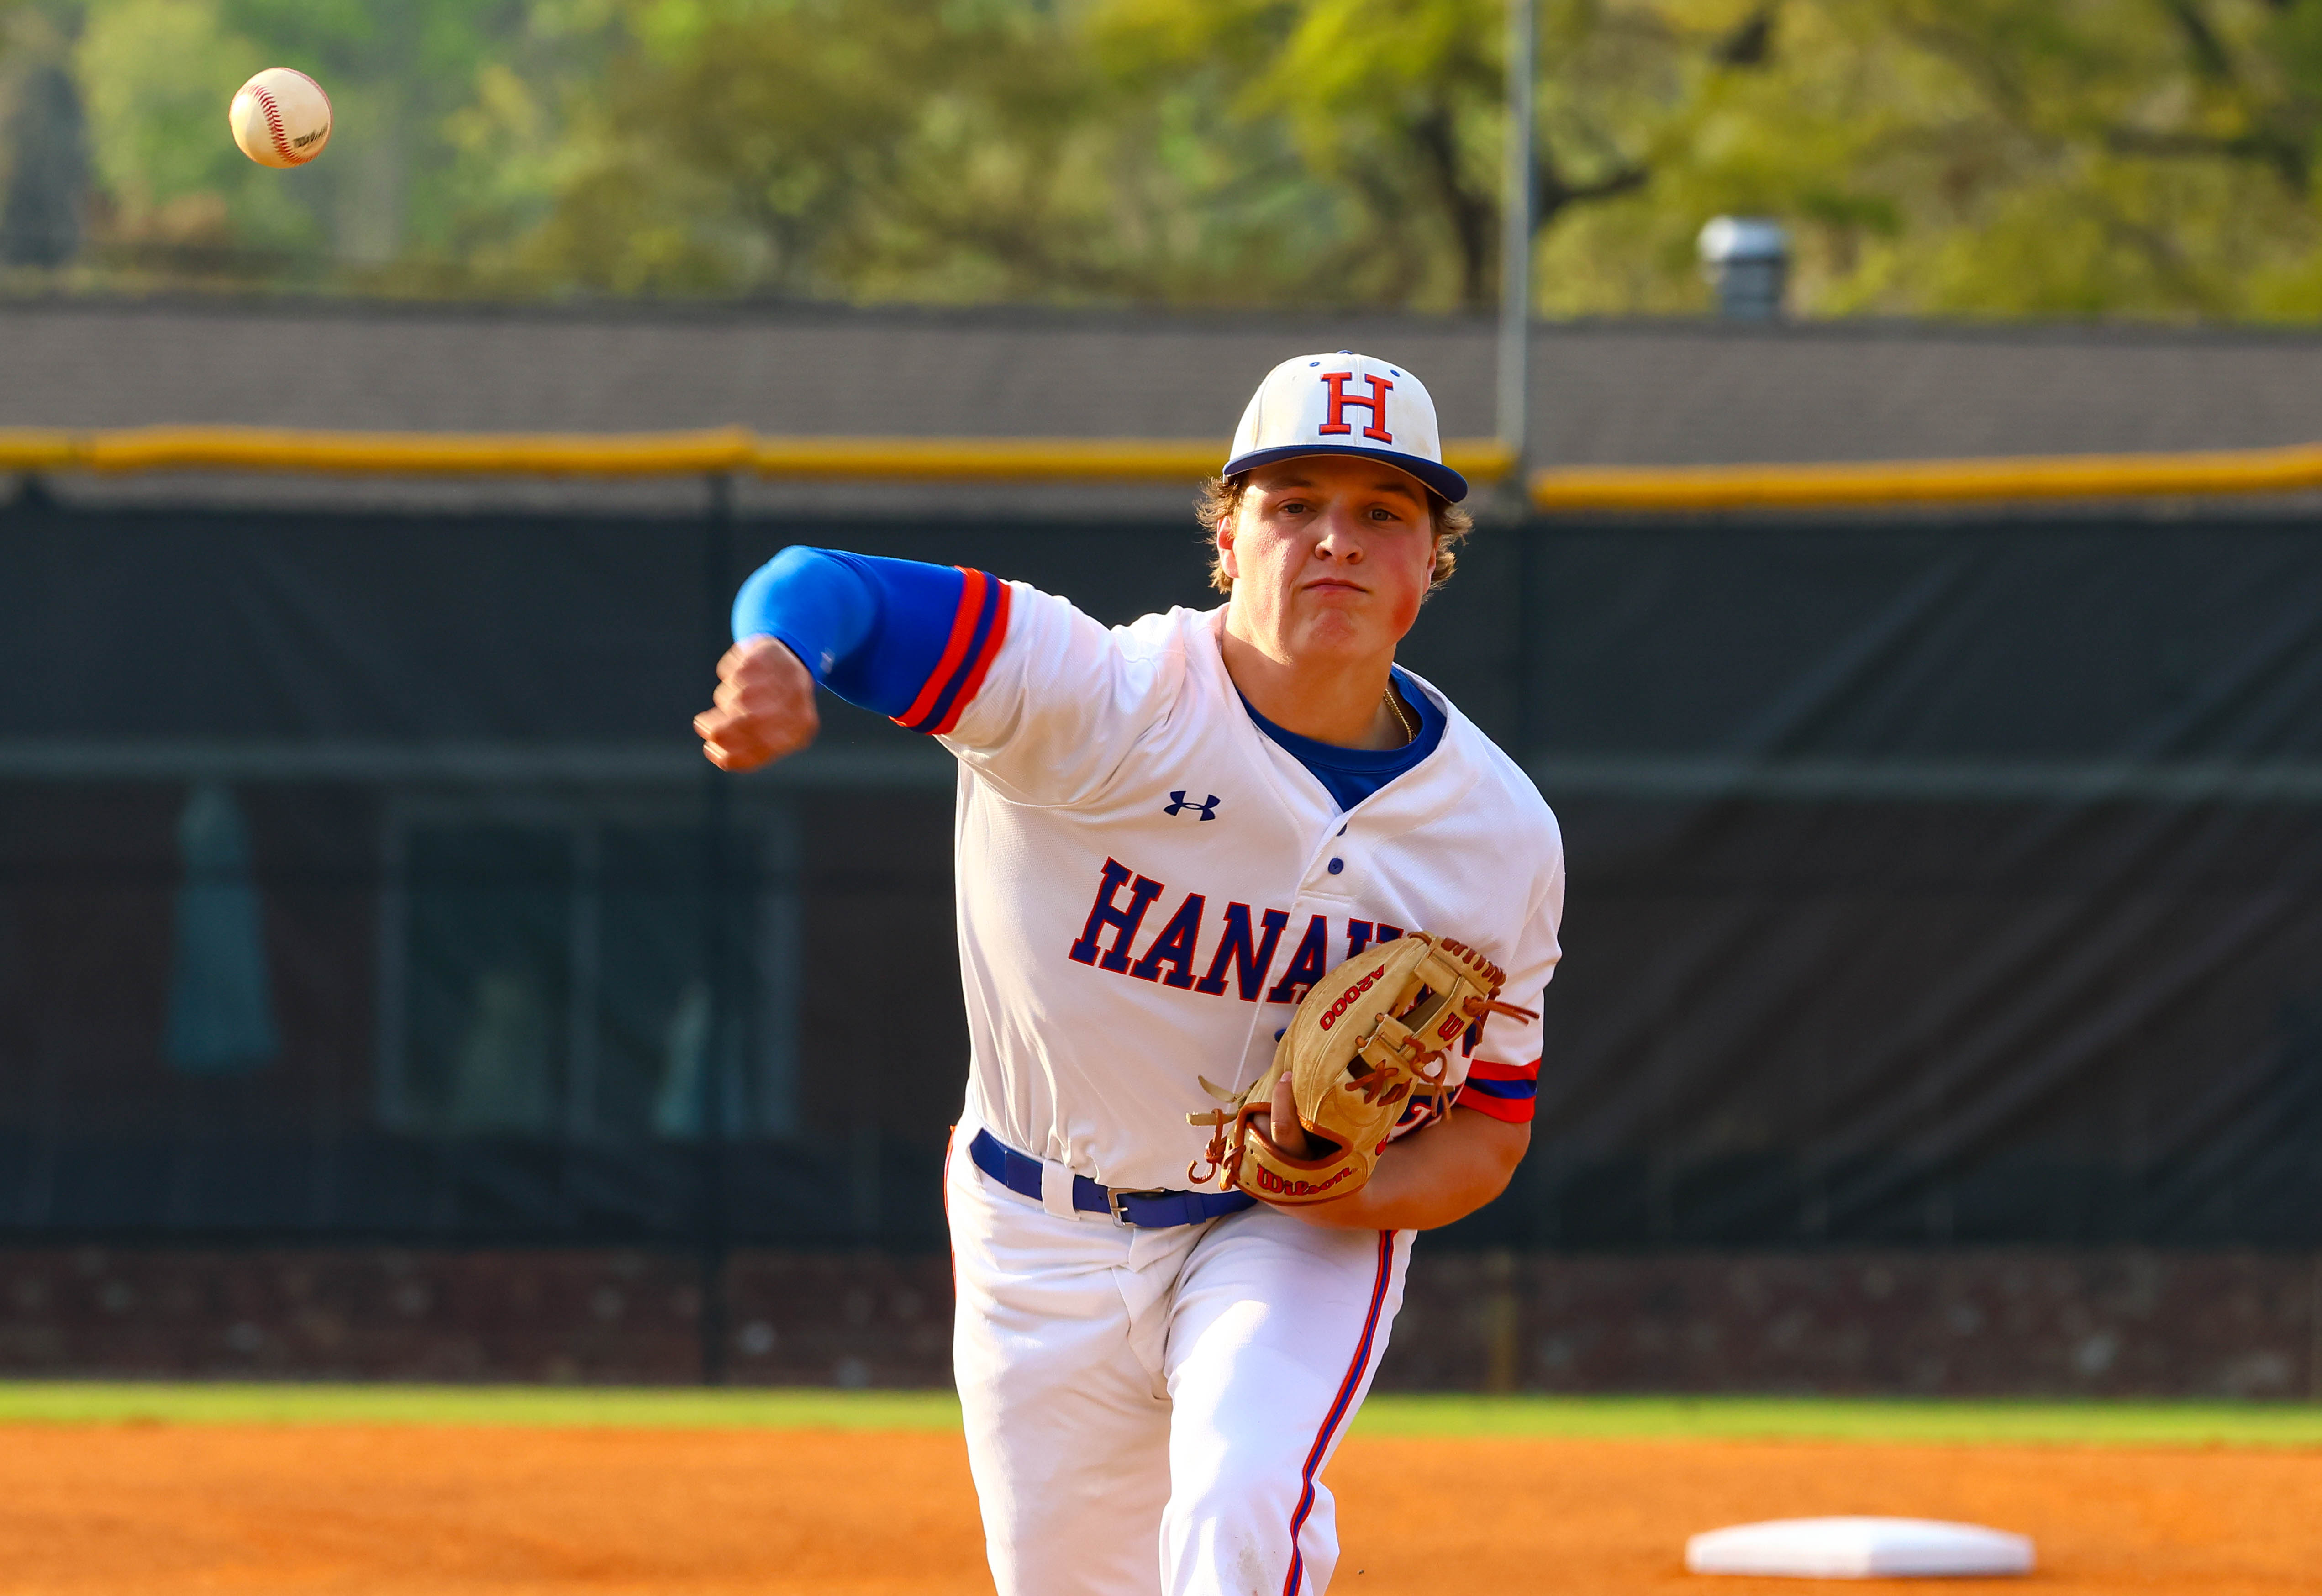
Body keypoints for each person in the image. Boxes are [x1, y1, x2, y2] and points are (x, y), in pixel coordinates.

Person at [693, 351, 1565, 1596]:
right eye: (1292, 504)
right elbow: (821, 585)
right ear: (1227, 538)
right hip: (1035, 1231)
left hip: (1282, 1233)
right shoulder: (1099, 699)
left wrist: (1343, 1195)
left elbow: (1489, 1132)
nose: (1337, 540)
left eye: (1383, 512)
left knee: (1239, 1500)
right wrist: (777, 652)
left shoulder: (1498, 834)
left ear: (1434, 559)